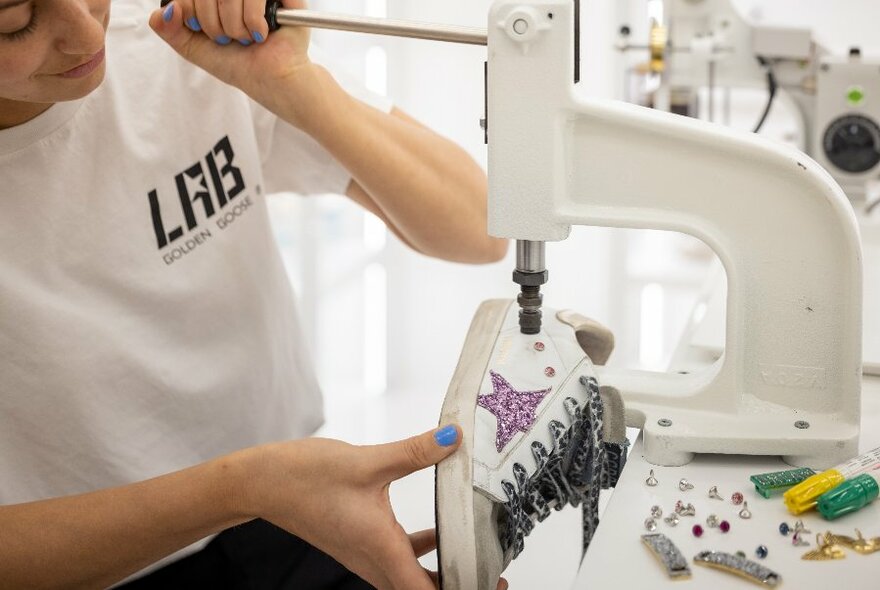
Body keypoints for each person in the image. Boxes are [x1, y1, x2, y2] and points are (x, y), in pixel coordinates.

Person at [0, 0, 508, 587]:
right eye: (15, 22)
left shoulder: (168, 39)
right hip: (95, 567)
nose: (87, 31)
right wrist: (244, 486)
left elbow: (481, 225)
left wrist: (296, 86)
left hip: (300, 516)